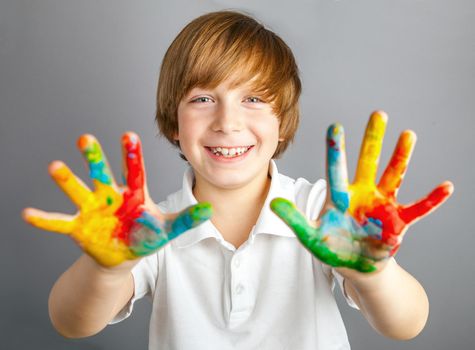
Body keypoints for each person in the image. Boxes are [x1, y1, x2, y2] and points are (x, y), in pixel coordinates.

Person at [22, 10, 454, 350]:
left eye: (253, 99)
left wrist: (374, 274)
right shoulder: (152, 226)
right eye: (204, 99)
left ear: (283, 123)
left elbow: (406, 325)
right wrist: (105, 268)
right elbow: (72, 323)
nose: (227, 122)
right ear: (174, 121)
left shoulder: (324, 213)